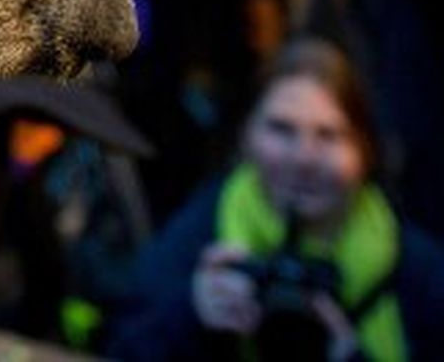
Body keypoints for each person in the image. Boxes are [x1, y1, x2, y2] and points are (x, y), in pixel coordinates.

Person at [105, 37, 444, 361]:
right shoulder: (199, 236)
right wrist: (191, 314)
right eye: (282, 129)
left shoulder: (416, 267)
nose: (304, 158)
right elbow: (120, 345)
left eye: (329, 135)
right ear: (245, 137)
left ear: (365, 150)